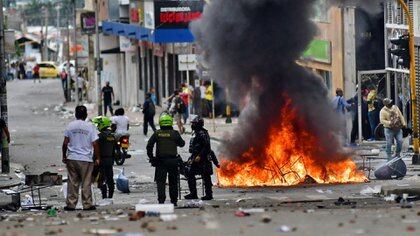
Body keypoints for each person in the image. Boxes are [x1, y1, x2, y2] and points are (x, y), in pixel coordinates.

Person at [62, 105, 100, 211]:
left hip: (72, 157)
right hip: (86, 159)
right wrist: (97, 157)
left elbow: (65, 143)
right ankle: (87, 204)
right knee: (86, 182)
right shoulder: (90, 126)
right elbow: (95, 144)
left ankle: (71, 204)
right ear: (86, 115)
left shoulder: (70, 126)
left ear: (75, 114)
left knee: (72, 182)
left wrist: (64, 156)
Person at [146, 114, 185, 206]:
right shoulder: (174, 133)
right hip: (173, 161)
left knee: (161, 182)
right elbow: (182, 144)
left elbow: (149, 146)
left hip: (160, 162)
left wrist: (152, 158)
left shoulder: (157, 133)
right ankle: (174, 201)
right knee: (173, 182)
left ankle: (161, 200)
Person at [185, 117, 219, 201]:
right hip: (196, 158)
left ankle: (209, 194)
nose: (192, 125)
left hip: (203, 159)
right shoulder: (196, 133)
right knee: (190, 174)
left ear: (198, 124)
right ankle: (193, 193)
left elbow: (207, 147)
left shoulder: (202, 133)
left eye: (194, 123)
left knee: (206, 176)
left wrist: (200, 156)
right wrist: (191, 158)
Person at [92, 116, 115, 199]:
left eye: (98, 125)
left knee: (101, 179)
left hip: (101, 160)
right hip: (110, 160)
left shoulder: (99, 136)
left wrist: (94, 159)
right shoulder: (112, 136)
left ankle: (104, 197)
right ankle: (110, 197)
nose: (97, 126)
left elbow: (96, 149)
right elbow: (114, 150)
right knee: (110, 179)